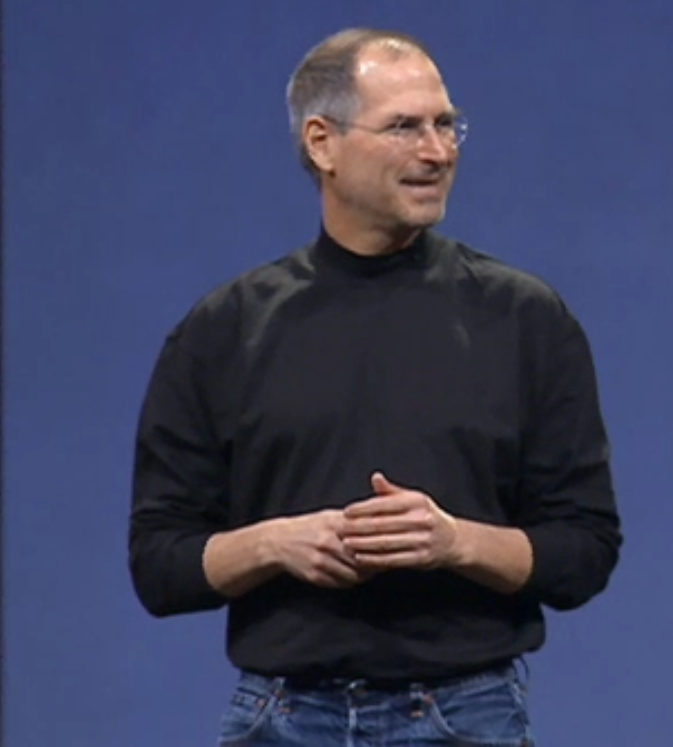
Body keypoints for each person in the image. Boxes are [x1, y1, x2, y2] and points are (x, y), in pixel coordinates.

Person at [128, 27, 622, 747]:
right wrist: (272, 543)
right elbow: (159, 566)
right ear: (322, 143)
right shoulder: (224, 331)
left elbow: (584, 552)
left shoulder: (524, 319)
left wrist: (454, 541)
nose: (437, 151)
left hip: (465, 717)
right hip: (281, 719)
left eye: (446, 124)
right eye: (404, 127)